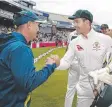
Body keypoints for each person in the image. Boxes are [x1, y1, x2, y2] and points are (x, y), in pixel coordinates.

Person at [52, 9, 112, 107]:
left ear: (87, 22)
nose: (74, 25)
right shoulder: (74, 42)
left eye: (77, 21)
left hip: (104, 89)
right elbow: (66, 62)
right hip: (84, 90)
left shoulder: (105, 39)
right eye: (74, 22)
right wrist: (57, 63)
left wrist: (107, 69)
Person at [0, 10, 60, 107]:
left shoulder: (10, 42)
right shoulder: (20, 48)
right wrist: (51, 66)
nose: (38, 29)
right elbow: (29, 82)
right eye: (37, 25)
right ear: (29, 25)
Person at [64, 30, 80, 107]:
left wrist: (67, 62)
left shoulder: (71, 34)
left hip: (73, 63)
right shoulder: (87, 33)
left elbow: (67, 49)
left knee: (70, 89)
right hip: (83, 65)